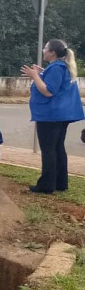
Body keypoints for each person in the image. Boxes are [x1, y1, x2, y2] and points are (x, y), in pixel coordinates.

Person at [21, 39, 85, 193]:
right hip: (60, 115)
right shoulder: (61, 66)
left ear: (52, 53)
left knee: (49, 149)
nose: (43, 50)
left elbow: (48, 91)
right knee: (57, 148)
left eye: (45, 48)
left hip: (51, 115)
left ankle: (46, 185)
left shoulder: (56, 67)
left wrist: (35, 76)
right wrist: (42, 73)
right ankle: (60, 183)